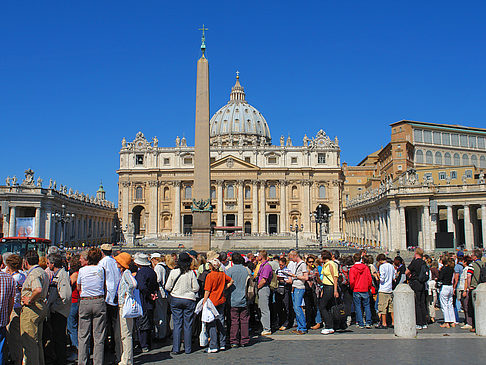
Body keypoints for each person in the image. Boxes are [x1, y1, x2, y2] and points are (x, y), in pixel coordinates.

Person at [165, 252, 199, 355]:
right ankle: (188, 348)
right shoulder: (191, 273)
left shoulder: (174, 272)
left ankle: (176, 348)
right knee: (188, 325)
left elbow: (167, 287)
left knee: (177, 324)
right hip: (189, 299)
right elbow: (196, 288)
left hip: (176, 299)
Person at [77, 247, 106, 365]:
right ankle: (98, 362)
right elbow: (104, 285)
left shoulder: (82, 270)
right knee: (99, 336)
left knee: (83, 335)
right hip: (99, 300)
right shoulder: (101, 269)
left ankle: (82, 362)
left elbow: (78, 287)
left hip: (85, 301)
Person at [20, 250, 49, 365]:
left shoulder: (33, 274)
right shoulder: (42, 272)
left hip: (32, 308)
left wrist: (29, 299)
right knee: (37, 341)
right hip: (41, 306)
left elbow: (38, 289)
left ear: (26, 262)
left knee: (29, 342)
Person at [45, 253, 72, 365]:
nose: (47, 265)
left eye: (48, 263)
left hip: (59, 312)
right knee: (56, 337)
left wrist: (54, 307)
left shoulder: (62, 275)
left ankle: (61, 360)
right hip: (57, 311)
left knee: (59, 337)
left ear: (52, 264)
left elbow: (66, 296)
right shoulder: (58, 274)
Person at [203, 258, 234, 353]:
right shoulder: (222, 274)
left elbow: (207, 290)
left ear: (212, 266)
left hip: (212, 301)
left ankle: (213, 345)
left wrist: (204, 301)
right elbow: (231, 280)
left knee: (212, 323)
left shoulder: (210, 276)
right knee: (220, 321)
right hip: (221, 300)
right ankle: (222, 344)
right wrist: (225, 287)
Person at [98, 243, 121, 357]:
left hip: (107, 295)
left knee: (105, 322)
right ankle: (115, 345)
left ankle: (107, 345)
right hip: (116, 293)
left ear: (102, 252)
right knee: (115, 322)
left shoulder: (102, 262)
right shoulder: (114, 261)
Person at [115, 252, 136, 365]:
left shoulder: (126, 273)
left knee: (126, 333)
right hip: (122, 305)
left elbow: (133, 283)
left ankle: (127, 360)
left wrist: (128, 293)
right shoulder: (124, 273)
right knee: (124, 333)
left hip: (124, 306)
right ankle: (125, 357)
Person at [134, 253, 158, 352]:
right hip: (151, 300)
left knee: (142, 322)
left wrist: (148, 294)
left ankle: (143, 344)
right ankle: (149, 342)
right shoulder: (152, 271)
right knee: (149, 321)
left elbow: (142, 286)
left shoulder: (141, 273)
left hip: (143, 299)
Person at [226, 252, 251, 348]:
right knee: (244, 320)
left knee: (234, 321)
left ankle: (234, 340)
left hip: (233, 299)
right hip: (244, 298)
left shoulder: (229, 271)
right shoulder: (247, 270)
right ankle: (244, 339)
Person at [5, 254, 25, 365]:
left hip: (14, 307)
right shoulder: (22, 276)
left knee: (13, 336)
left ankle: (16, 358)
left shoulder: (13, 278)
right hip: (21, 307)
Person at [315, 250, 339, 335]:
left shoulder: (331, 264)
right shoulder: (325, 265)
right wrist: (317, 276)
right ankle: (330, 326)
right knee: (327, 307)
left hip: (330, 287)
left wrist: (335, 290)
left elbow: (335, 278)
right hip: (325, 287)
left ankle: (328, 326)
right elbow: (324, 279)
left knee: (322, 306)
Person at [405, 247, 428, 329]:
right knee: (422, 303)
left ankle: (419, 322)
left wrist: (409, 275)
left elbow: (407, 272)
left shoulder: (414, 262)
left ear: (416, 253)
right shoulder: (423, 262)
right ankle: (424, 322)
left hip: (416, 283)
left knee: (417, 303)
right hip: (422, 283)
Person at [349, 252, 373, 329]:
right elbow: (370, 279)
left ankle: (360, 323)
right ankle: (368, 322)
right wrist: (368, 287)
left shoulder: (352, 269)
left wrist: (352, 287)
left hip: (356, 289)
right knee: (367, 306)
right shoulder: (366, 267)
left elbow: (351, 281)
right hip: (365, 288)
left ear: (353, 259)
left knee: (358, 307)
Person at [464, 249, 485, 333]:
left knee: (472, 307)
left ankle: (475, 326)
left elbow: (469, 276)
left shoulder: (472, 265)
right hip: (482, 286)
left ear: (475, 256)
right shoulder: (483, 264)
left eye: (472, 255)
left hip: (474, 287)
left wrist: (469, 286)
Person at [288, 250, 308, 335]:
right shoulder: (296, 264)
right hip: (295, 286)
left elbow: (306, 277)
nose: (290, 259)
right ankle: (299, 326)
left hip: (300, 287)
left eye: (291, 257)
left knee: (297, 307)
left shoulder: (302, 264)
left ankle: (303, 327)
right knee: (295, 308)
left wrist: (295, 276)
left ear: (295, 255)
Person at [0, 255, 15, 365]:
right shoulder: (9, 278)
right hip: (2, 318)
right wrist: (8, 315)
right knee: (0, 348)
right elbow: (11, 301)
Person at [151, 253, 169, 341]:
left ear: (155, 259)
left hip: (160, 292)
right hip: (165, 293)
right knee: (163, 314)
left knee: (159, 314)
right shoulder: (165, 266)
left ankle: (160, 334)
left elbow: (157, 279)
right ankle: (164, 332)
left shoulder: (158, 267)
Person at [67, 254, 81, 362]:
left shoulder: (75, 275)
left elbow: (70, 286)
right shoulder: (81, 273)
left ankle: (76, 350)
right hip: (78, 301)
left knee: (72, 327)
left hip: (73, 301)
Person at [255, 250, 273, 336]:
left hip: (263, 288)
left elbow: (264, 280)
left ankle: (267, 328)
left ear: (261, 257)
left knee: (264, 309)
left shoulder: (266, 266)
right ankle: (263, 326)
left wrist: (257, 287)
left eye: (258, 255)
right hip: (261, 288)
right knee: (261, 308)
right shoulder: (263, 265)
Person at [376, 254, 394, 329]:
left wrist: (377, 275)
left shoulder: (382, 267)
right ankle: (393, 322)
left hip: (383, 289)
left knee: (382, 307)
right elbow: (393, 277)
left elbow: (382, 279)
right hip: (390, 289)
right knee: (391, 307)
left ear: (380, 260)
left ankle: (384, 323)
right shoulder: (391, 266)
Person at [275, 257, 293, 331]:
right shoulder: (277, 270)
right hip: (278, 289)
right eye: (280, 265)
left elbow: (290, 281)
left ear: (285, 264)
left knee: (286, 306)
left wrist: (283, 280)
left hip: (285, 288)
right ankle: (280, 321)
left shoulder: (287, 270)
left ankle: (286, 322)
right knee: (279, 306)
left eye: (282, 265)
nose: (280, 266)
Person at [439, 257, 455, 328]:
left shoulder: (443, 269)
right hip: (450, 286)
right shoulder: (451, 268)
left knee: (444, 305)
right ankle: (452, 321)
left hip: (444, 287)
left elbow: (440, 277)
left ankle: (447, 322)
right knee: (450, 304)